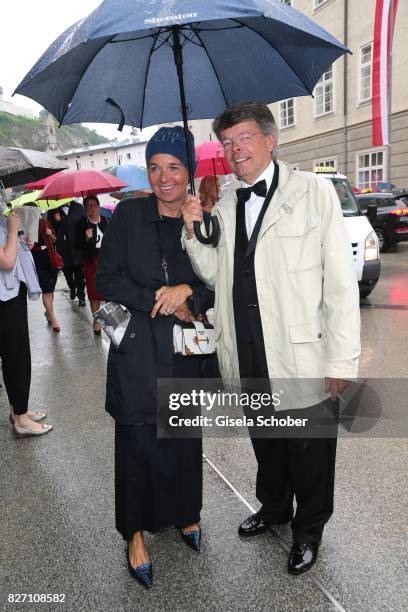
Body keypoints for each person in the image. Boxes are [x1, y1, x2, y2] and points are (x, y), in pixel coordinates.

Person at [181, 101, 361, 576]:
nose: (234, 150)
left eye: (243, 139)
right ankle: (275, 507)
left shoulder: (312, 192)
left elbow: (340, 281)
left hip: (301, 350)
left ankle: (309, 530)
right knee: (267, 441)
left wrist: (342, 360)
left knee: (309, 450)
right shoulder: (224, 201)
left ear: (269, 140)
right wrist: (194, 228)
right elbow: (212, 273)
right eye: (227, 143)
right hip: (247, 347)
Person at [95, 126, 214, 589]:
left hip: (185, 349)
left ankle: (185, 513)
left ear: (190, 173)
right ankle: (135, 534)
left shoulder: (201, 220)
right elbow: (107, 279)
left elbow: (216, 283)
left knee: (183, 438)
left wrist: (190, 293)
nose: (164, 178)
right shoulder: (127, 214)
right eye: (155, 167)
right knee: (138, 441)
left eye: (174, 167)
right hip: (140, 348)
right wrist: (156, 297)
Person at [0, 208, 53, 437]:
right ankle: (21, 419)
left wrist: (22, 239)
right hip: (4, 299)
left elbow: (13, 251)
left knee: (14, 356)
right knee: (17, 357)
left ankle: (17, 410)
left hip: (11, 293)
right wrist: (12, 231)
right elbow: (7, 261)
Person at [75, 196, 109, 334]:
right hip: (91, 262)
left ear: (99, 206)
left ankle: (109, 319)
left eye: (94, 205)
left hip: (107, 262)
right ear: (85, 208)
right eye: (88, 206)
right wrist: (86, 238)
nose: (92, 208)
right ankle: (97, 320)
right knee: (94, 292)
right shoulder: (80, 224)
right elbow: (76, 246)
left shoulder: (107, 221)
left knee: (109, 291)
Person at [27, 209, 60, 332]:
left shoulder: (45, 222)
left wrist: (50, 234)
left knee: (51, 289)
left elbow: (55, 240)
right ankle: (53, 319)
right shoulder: (25, 226)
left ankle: (48, 312)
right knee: (46, 289)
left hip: (50, 257)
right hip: (37, 259)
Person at [49, 201, 86, 306]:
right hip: (63, 249)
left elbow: (85, 224)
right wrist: (57, 222)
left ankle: (81, 296)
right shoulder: (53, 210)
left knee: (80, 274)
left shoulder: (79, 208)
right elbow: (50, 231)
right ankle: (72, 287)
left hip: (77, 248)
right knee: (67, 272)